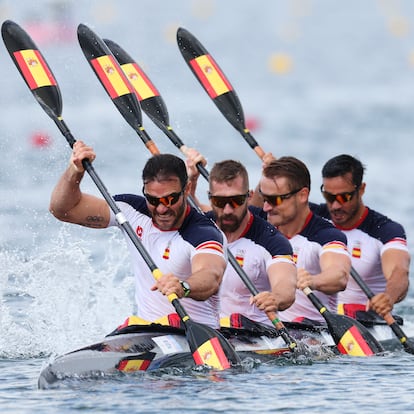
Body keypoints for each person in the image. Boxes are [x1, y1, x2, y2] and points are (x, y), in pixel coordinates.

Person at [49, 141, 228, 329]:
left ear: (187, 190)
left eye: (170, 199)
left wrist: (183, 287)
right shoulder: (129, 211)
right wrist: (75, 171)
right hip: (147, 332)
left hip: (198, 335)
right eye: (152, 199)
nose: (161, 208)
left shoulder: (204, 233)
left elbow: (210, 276)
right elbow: (63, 210)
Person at [186, 153, 297, 327]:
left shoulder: (271, 240)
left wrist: (276, 298)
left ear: (249, 196)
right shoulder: (199, 228)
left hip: (253, 333)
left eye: (236, 201)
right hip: (208, 329)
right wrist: (191, 178)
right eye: (220, 201)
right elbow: (180, 206)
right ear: (210, 198)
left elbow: (286, 286)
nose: (228, 210)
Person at [251, 156, 351, 324]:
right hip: (260, 328)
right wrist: (191, 184)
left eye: (275, 200)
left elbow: (339, 276)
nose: (266, 207)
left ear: (303, 195)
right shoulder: (259, 223)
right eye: (264, 198)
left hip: (310, 332)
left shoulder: (326, 235)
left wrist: (312, 280)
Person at [311, 154, 410, 319]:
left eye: (344, 197)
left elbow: (399, 272)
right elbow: (261, 212)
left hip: (364, 321)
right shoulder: (312, 218)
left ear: (361, 189)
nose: (335, 206)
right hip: (317, 320)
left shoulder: (385, 230)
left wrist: (388, 297)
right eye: (329, 197)